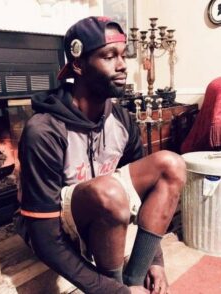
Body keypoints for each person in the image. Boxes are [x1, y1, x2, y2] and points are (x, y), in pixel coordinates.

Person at [16, 16, 186, 294]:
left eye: (123, 56)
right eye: (109, 56)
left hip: (107, 210)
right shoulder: (43, 130)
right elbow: (43, 237)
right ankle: (117, 285)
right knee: (110, 192)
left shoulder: (121, 119)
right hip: (54, 226)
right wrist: (105, 288)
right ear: (79, 64)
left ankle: (132, 279)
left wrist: (154, 259)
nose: (122, 66)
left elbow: (143, 194)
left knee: (171, 163)